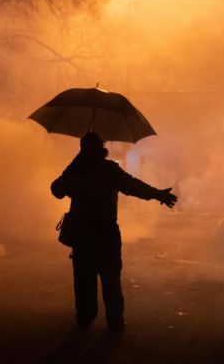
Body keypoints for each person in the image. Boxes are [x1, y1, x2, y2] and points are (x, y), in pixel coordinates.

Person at [51, 132, 177, 332]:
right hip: (105, 233)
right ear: (101, 148)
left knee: (84, 279)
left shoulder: (76, 170)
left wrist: (72, 167)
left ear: (82, 149)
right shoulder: (108, 170)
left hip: (82, 235)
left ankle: (85, 316)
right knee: (111, 281)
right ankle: (115, 321)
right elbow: (133, 186)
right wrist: (157, 194)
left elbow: (56, 190)